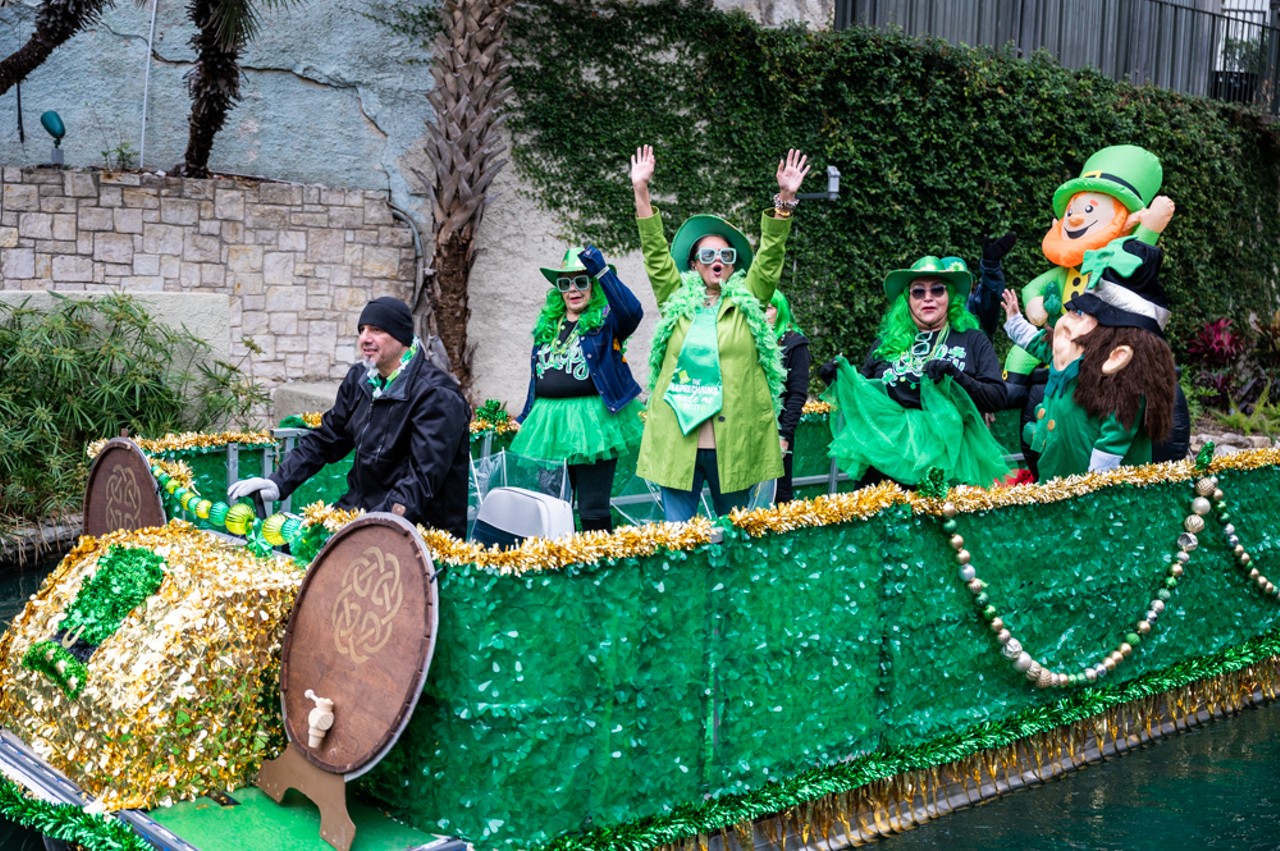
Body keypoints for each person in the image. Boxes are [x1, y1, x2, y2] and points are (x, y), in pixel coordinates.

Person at [630, 144, 809, 522]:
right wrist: (641, 192)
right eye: (708, 255)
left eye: (726, 256)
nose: (717, 262)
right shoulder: (676, 299)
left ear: (733, 267)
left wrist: (785, 201)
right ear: (693, 264)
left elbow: (771, 257)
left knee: (735, 538)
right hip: (680, 439)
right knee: (677, 538)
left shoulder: (749, 302)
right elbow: (655, 255)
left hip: (734, 441)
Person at [227, 296, 471, 537]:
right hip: (360, 513)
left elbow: (420, 482)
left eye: (376, 330)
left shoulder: (436, 395)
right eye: (362, 330)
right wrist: (279, 482)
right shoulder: (360, 380)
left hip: (419, 531)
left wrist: (364, 529)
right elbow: (326, 438)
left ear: (401, 337)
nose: (365, 338)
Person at [822, 256, 1009, 487]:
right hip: (886, 462)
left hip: (950, 466)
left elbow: (997, 397)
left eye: (937, 290)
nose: (928, 297)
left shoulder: (973, 340)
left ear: (950, 296)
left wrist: (956, 377)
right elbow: (866, 399)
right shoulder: (886, 343)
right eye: (918, 292)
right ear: (907, 300)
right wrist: (839, 382)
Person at [1001, 236, 1176, 479]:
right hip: (1056, 470)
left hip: (1096, 494)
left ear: (1118, 352)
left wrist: (1093, 486)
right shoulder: (1076, 352)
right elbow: (1043, 344)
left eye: (1086, 317)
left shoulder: (1125, 384)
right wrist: (1015, 322)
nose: (1069, 324)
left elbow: (1114, 441)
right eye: (1075, 312)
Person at [509, 245, 644, 533]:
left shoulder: (606, 321)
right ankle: (558, 568)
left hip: (593, 422)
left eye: (582, 281)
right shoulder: (549, 325)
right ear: (558, 290)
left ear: (593, 285)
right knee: (551, 505)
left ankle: (598, 572)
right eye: (565, 283)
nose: (573, 289)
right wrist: (524, 415)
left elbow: (633, 312)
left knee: (593, 507)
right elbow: (537, 376)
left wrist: (602, 270)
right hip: (548, 424)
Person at [765, 289, 810, 504]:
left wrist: (784, 435)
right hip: (749, 429)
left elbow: (797, 394)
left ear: (780, 310)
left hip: (778, 429)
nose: (763, 313)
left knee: (778, 493)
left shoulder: (794, 343)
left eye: (769, 308)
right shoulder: (749, 341)